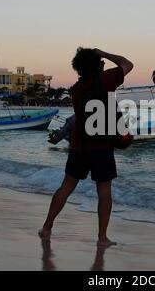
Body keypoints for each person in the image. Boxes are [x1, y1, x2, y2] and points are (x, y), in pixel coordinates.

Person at [39, 47, 134, 247]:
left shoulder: (76, 89)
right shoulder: (106, 79)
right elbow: (127, 64)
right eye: (101, 62)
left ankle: (47, 227)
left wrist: (96, 60)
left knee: (65, 188)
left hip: (79, 146)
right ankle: (101, 238)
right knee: (105, 192)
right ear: (97, 65)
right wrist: (105, 54)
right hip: (101, 148)